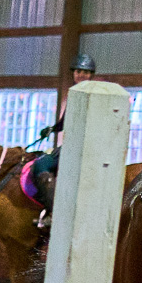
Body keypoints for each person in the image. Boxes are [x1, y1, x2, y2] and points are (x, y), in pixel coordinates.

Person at [22, 51, 99, 206]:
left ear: (91, 75)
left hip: (81, 146)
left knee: (41, 164)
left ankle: (52, 207)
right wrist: (52, 129)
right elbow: (64, 123)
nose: (80, 75)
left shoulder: (92, 95)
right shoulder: (74, 94)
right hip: (73, 144)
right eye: (78, 71)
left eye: (85, 72)